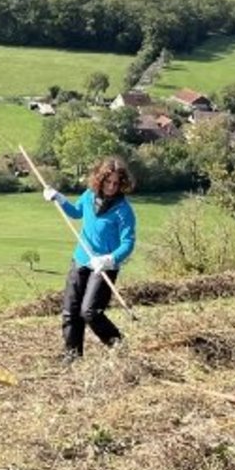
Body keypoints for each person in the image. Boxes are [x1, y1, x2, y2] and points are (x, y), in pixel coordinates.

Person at [44, 155, 138, 362]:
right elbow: (77, 213)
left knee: (90, 312)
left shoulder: (123, 211)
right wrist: (59, 198)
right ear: (100, 179)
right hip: (81, 259)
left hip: (104, 267)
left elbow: (128, 242)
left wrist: (110, 259)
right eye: (108, 181)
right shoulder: (88, 195)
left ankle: (118, 346)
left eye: (116, 183)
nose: (112, 187)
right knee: (71, 311)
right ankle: (72, 356)